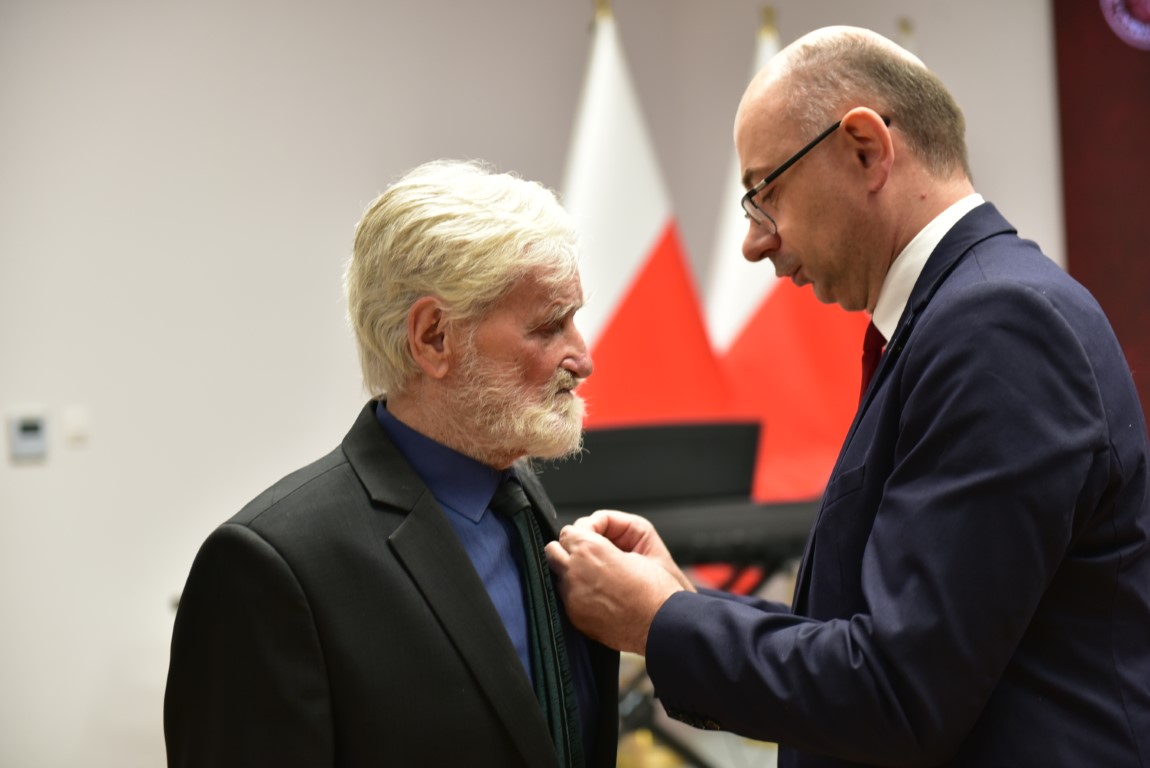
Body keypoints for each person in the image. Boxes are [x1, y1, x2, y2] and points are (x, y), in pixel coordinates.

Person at [546, 25, 1150, 768]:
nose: (755, 242)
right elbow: (886, 636)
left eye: (765, 193)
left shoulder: (997, 327)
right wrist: (683, 602)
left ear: (865, 149)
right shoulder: (967, 314)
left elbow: (898, 693)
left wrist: (660, 623)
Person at [164, 159, 619, 768]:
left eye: (573, 320)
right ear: (433, 338)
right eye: (548, 327)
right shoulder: (269, 567)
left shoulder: (519, 501)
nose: (582, 359)